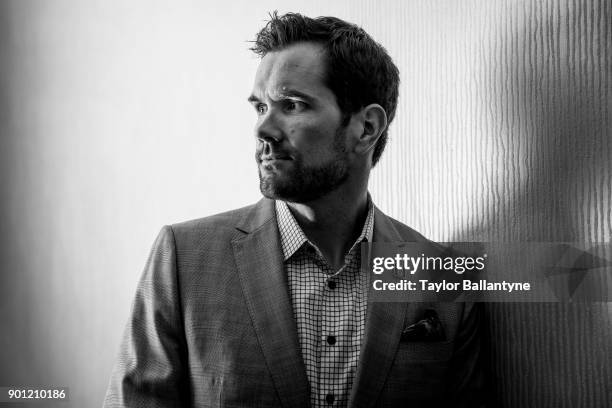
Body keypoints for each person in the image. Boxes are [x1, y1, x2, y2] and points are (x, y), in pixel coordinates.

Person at [104, 12, 485, 408]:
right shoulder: (184, 259)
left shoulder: (445, 279)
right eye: (259, 107)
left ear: (366, 128)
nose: (263, 130)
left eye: (291, 104)